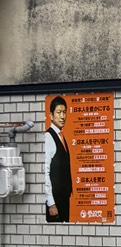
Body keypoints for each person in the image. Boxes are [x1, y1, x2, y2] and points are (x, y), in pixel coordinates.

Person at [44, 95, 72, 223]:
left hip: (63, 199)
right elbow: (45, 172)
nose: (62, 116)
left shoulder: (61, 135)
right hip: (55, 202)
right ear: (51, 115)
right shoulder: (48, 137)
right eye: (59, 112)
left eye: (64, 112)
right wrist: (51, 203)